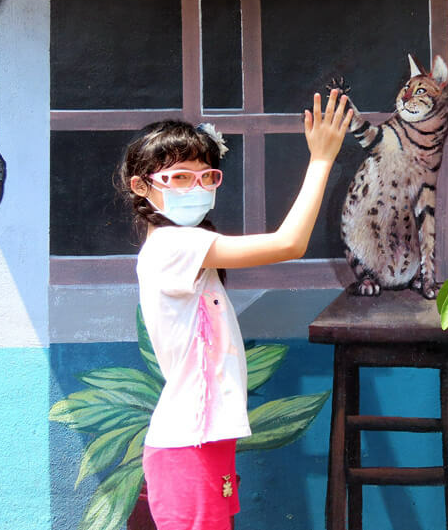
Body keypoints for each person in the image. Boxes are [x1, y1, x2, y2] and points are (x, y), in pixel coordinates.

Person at [117, 90, 353, 530]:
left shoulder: (188, 250)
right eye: (180, 178)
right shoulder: (172, 245)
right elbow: (289, 244)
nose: (198, 187)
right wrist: (321, 159)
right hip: (187, 443)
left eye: (207, 177)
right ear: (142, 186)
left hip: (205, 438)